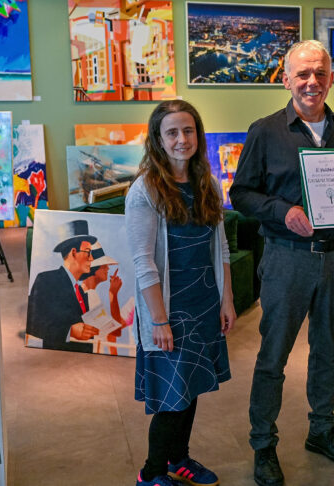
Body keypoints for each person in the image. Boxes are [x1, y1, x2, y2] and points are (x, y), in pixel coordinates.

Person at [230, 39, 334, 486]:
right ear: (286, 79)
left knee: (327, 351)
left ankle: (322, 430)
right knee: (274, 355)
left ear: (331, 79)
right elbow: (241, 193)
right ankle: (263, 443)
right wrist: (282, 211)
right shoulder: (266, 131)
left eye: (320, 73)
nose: (312, 82)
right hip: (287, 259)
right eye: (303, 74)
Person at [126, 100, 235, 486]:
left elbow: (221, 248)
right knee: (171, 399)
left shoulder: (207, 183)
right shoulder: (145, 190)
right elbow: (143, 262)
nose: (181, 139)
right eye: (171, 132)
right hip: (168, 311)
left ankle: (178, 459)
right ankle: (151, 473)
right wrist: (158, 321)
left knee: (191, 389)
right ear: (158, 139)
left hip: (203, 304)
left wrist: (226, 300)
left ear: (198, 135)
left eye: (188, 130)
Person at [25, 219, 101, 353]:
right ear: (73, 253)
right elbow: (33, 322)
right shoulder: (46, 280)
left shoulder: (80, 290)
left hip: (85, 359)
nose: (91, 258)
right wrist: (69, 331)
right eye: (88, 252)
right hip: (58, 357)